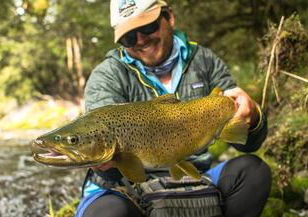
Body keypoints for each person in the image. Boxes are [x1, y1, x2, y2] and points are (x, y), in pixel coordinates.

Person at [75, 0, 271, 217]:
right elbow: (110, 168)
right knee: (108, 212)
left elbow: (249, 142)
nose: (141, 40)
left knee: (255, 172)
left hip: (196, 174)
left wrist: (252, 117)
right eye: (129, 37)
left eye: (147, 27)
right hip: (126, 187)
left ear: (169, 17)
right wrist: (106, 163)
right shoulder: (107, 76)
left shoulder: (204, 60)